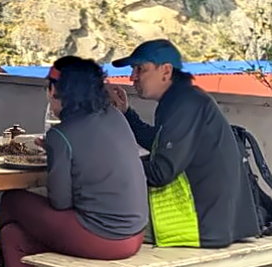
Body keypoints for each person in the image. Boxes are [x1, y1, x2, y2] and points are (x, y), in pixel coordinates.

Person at [0, 56, 149, 267]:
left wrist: (57, 153)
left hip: (102, 238)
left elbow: (61, 202)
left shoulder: (62, 135)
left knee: (12, 202)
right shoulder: (115, 117)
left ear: (55, 91)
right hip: (134, 234)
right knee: (14, 234)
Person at [109, 39, 261, 247]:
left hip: (199, 224)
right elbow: (159, 143)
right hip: (213, 220)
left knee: (102, 218)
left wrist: (110, 168)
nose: (132, 77)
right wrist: (126, 113)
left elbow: (160, 172)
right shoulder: (181, 99)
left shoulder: (185, 104)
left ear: (166, 71)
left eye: (140, 69)